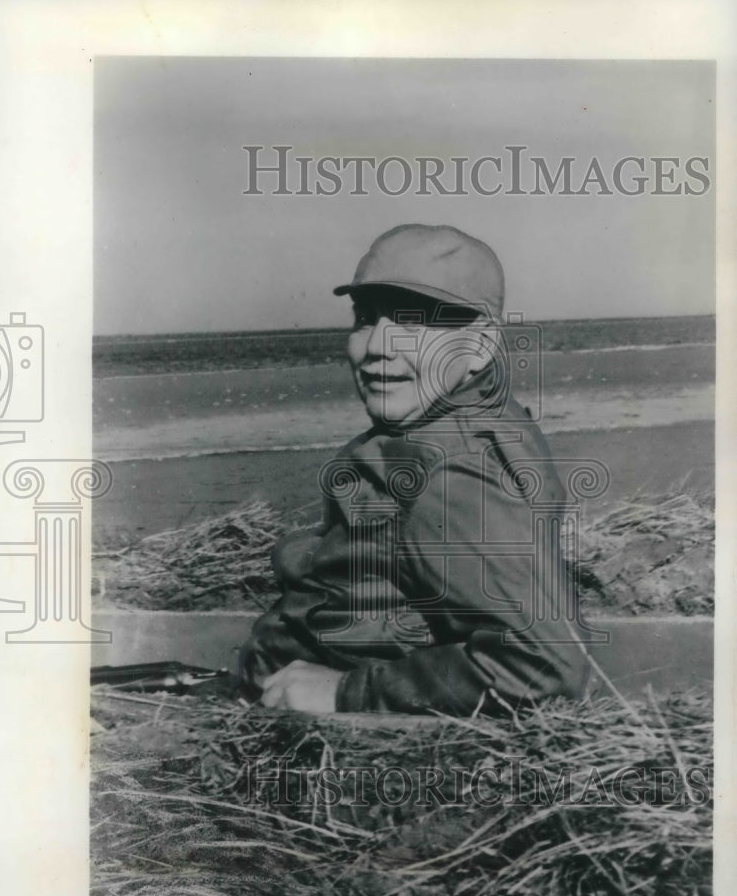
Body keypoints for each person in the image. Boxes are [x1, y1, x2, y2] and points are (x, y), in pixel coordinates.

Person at [238, 223, 592, 716]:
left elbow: (545, 666)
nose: (378, 346)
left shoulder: (452, 471)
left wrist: (344, 692)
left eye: (413, 322)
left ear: (479, 346)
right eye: (365, 318)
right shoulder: (451, 424)